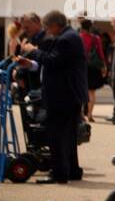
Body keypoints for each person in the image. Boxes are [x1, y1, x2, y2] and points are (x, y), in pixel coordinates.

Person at [16, 11, 88, 184]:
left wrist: (33, 51)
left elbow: (53, 60)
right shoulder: (68, 36)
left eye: (48, 27)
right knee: (68, 136)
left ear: (55, 25)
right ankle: (72, 170)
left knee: (56, 135)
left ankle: (59, 174)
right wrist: (32, 64)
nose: (47, 31)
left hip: (63, 95)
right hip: (68, 94)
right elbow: (54, 63)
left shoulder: (66, 39)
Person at [78, 18, 107, 122]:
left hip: (81, 66)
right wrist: (104, 66)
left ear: (81, 27)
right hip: (93, 67)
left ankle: (81, 114)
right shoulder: (96, 38)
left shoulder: (79, 37)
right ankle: (90, 114)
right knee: (91, 92)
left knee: (81, 90)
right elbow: (100, 53)